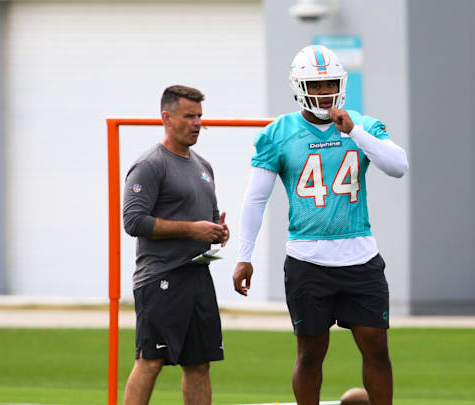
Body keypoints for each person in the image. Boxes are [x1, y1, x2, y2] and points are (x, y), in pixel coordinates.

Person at [232, 45, 409, 405]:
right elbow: (255, 198)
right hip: (307, 258)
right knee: (311, 353)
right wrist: (244, 255)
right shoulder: (278, 133)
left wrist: (355, 132)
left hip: (360, 254)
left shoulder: (363, 124)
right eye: (317, 84)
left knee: (376, 346)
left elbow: (398, 166)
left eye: (330, 83)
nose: (325, 91)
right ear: (300, 87)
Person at [122, 85, 229, 405]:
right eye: (188, 116)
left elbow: (206, 221)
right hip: (161, 277)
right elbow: (134, 222)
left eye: (199, 116)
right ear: (166, 118)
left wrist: (218, 231)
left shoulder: (203, 166)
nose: (196, 123)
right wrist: (191, 230)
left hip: (197, 276)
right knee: (151, 361)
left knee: (199, 364)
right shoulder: (151, 165)